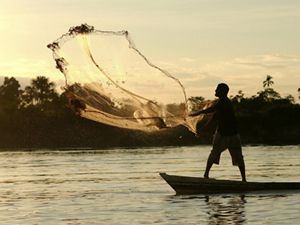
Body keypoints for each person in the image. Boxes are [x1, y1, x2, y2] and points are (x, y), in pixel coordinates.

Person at [189, 83, 246, 182]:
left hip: (232, 135)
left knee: (238, 157)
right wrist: (202, 130)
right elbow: (213, 120)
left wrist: (198, 113)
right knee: (215, 154)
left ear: (223, 92)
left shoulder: (224, 102)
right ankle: (206, 175)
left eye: (217, 89)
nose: (215, 91)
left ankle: (244, 180)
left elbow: (211, 110)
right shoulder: (221, 104)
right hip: (222, 134)